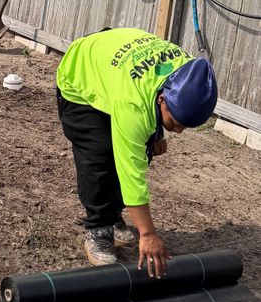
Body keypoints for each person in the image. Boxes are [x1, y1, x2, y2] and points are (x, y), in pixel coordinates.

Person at [56, 28, 217, 275]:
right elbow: (131, 171)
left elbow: (152, 90)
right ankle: (98, 227)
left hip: (117, 72)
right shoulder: (134, 106)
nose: (180, 131)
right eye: (177, 122)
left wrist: (157, 134)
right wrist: (148, 233)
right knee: (99, 155)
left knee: (145, 146)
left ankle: (114, 213)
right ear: (163, 100)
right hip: (81, 75)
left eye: (185, 126)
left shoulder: (184, 72)